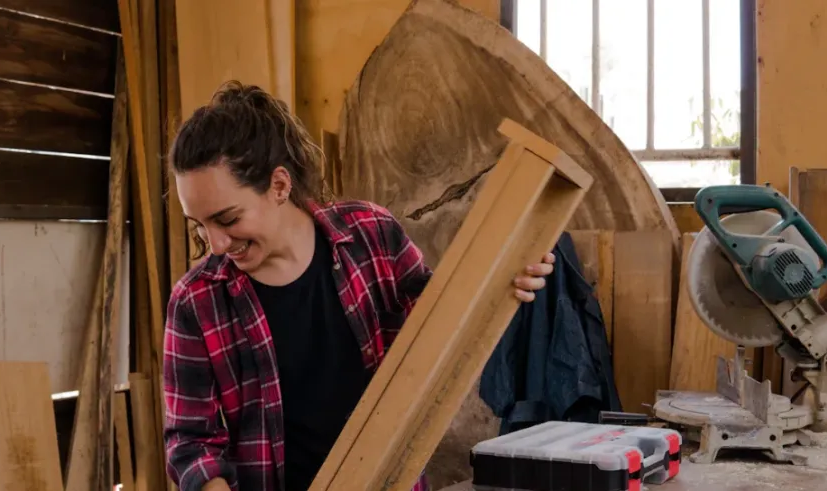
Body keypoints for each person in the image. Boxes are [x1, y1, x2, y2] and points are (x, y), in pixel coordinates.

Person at [162, 81, 556, 491]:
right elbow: (191, 443)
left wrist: (506, 281)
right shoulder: (196, 300)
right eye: (200, 225)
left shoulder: (371, 235)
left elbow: (444, 324)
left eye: (226, 219)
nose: (217, 244)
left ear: (279, 185)